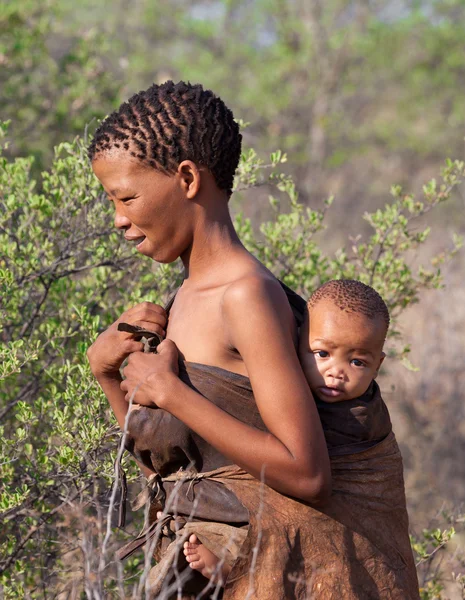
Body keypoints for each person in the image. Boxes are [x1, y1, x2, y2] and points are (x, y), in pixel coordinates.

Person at [86, 80, 332, 598]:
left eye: (127, 196)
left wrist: (172, 392)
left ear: (188, 178)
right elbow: (174, 469)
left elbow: (307, 474)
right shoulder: (181, 299)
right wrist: (108, 375)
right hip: (197, 570)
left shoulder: (246, 296)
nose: (119, 219)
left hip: (257, 576)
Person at [183, 279, 419, 599]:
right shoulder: (285, 395)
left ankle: (239, 568)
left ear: (378, 366)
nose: (336, 372)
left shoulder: (366, 422)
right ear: (294, 344)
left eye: (357, 362)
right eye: (322, 353)